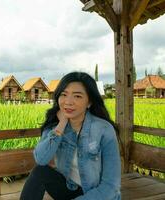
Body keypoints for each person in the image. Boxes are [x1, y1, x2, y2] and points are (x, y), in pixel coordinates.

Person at [20, 72, 121, 200]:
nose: (68, 102)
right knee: (40, 172)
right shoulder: (55, 126)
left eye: (77, 96)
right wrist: (61, 125)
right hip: (71, 189)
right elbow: (41, 159)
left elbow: (111, 186)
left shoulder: (104, 129)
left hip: (100, 195)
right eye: (64, 94)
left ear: (89, 102)